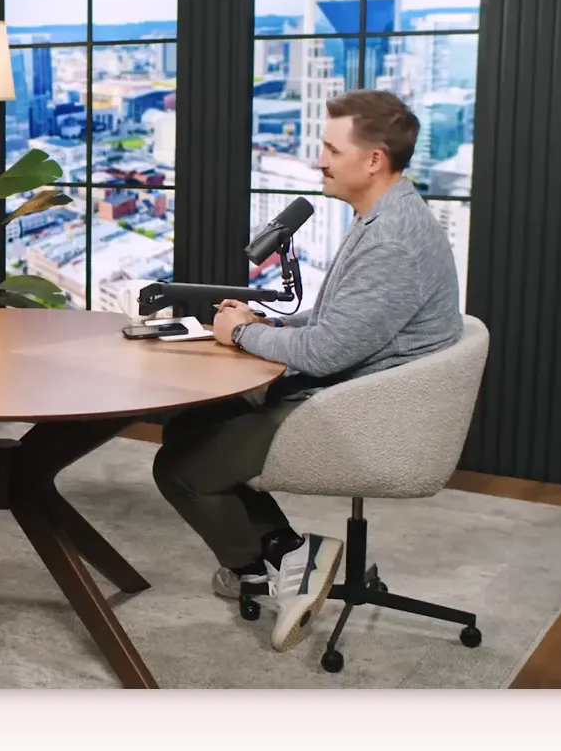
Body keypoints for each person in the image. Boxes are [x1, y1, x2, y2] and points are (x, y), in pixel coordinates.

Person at [152, 89, 464, 653]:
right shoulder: (386, 216)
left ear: (374, 159)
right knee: (189, 426)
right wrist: (265, 323)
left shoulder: (392, 241)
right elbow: (336, 321)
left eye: (331, 149)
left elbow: (325, 353)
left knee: (180, 468)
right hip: (357, 391)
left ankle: (270, 563)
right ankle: (280, 554)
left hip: (363, 413)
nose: (320, 161)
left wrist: (241, 334)